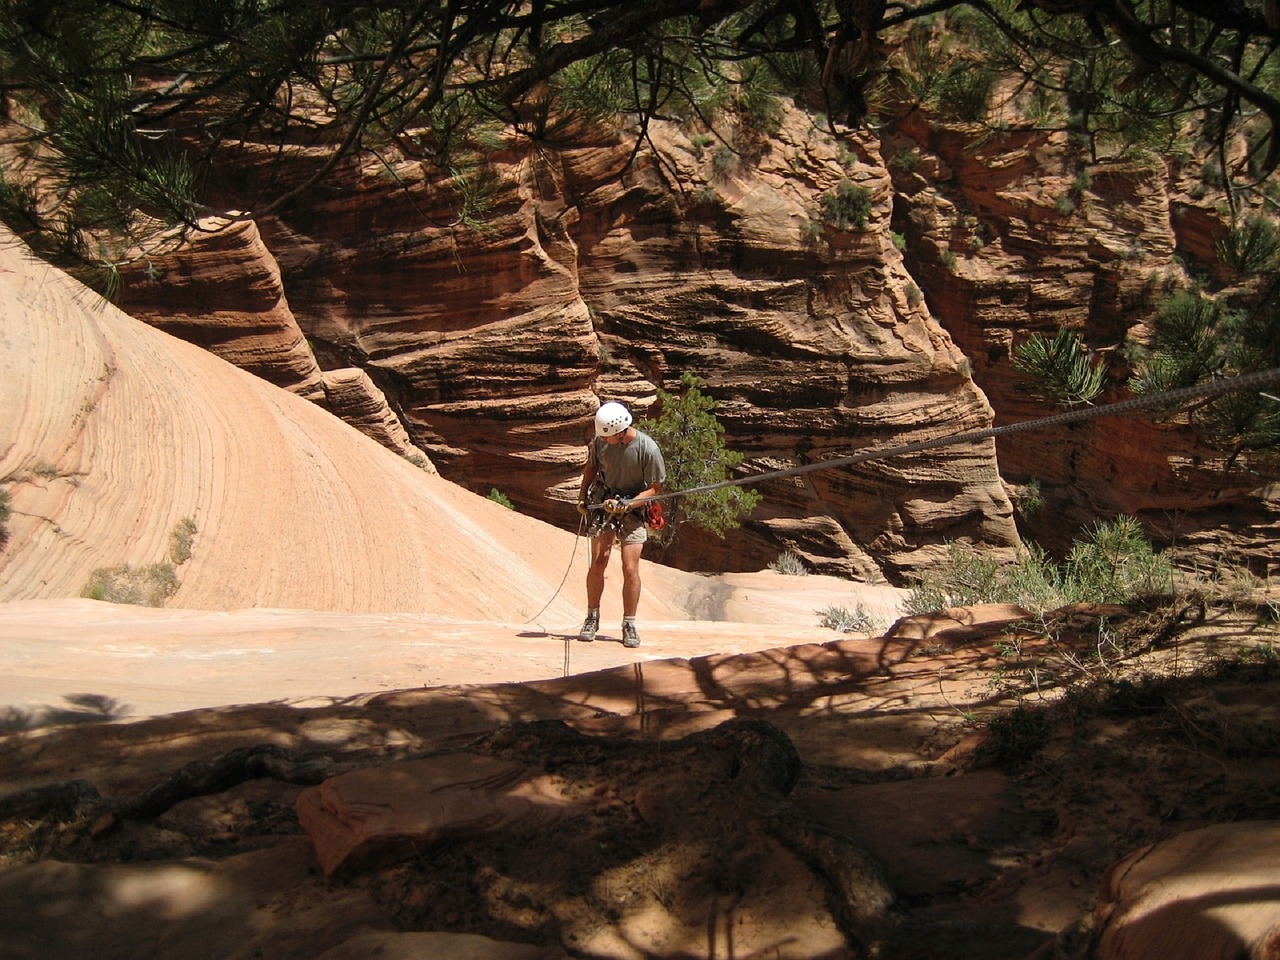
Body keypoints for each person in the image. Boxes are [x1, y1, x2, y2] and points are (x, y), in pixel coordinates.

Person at [576, 400, 666, 648]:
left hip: (634, 507)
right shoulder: (601, 441)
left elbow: (655, 489)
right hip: (605, 502)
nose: (603, 442)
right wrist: (583, 496)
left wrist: (628, 505)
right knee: (599, 561)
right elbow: (592, 467)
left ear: (620, 432)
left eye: (607, 438)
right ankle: (592, 617)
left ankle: (629, 623)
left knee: (630, 568)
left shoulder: (647, 448)